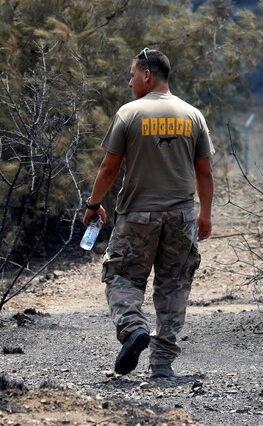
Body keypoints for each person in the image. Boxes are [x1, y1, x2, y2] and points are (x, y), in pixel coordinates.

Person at [82, 47, 214, 380]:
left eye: (131, 75)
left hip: (137, 216)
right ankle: (162, 364)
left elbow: (109, 168)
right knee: (173, 287)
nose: (129, 83)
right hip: (182, 216)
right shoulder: (193, 115)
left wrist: (93, 204)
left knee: (121, 277)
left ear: (146, 75)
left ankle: (133, 327)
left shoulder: (129, 114)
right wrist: (205, 215)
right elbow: (205, 174)